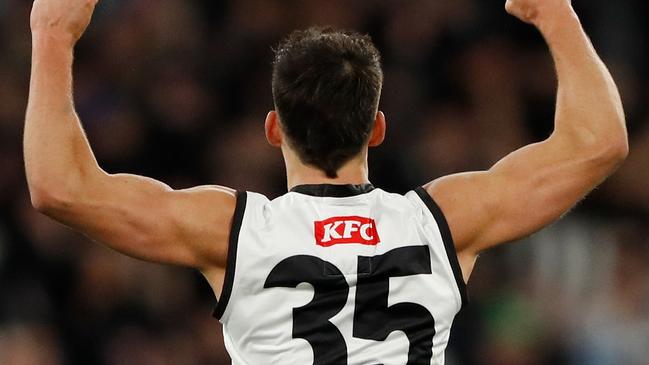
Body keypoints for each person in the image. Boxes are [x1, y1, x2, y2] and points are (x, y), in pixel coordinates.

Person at [25, 0, 627, 364]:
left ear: (271, 129)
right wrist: (554, 14)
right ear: (379, 129)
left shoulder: (233, 232)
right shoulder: (443, 222)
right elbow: (597, 142)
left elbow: (60, 186)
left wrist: (53, 34)